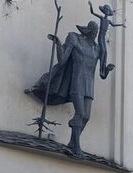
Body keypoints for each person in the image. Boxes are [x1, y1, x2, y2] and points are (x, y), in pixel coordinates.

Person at [27, 20, 102, 154]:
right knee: (80, 114)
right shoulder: (75, 40)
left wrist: (107, 70)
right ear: (89, 31)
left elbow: (102, 72)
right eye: (94, 31)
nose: (95, 34)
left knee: (86, 117)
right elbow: (62, 60)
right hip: (77, 81)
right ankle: (76, 147)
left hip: (89, 84)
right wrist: (58, 44)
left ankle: (72, 142)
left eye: (97, 32)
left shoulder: (96, 48)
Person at [88, 1, 125, 79]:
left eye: (108, 11)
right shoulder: (102, 18)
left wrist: (121, 24)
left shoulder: (108, 21)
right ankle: (101, 70)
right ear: (104, 11)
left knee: (105, 52)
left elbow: (114, 25)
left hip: (103, 37)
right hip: (100, 37)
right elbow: (92, 12)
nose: (107, 12)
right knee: (103, 51)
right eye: (106, 11)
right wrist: (91, 6)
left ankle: (104, 69)